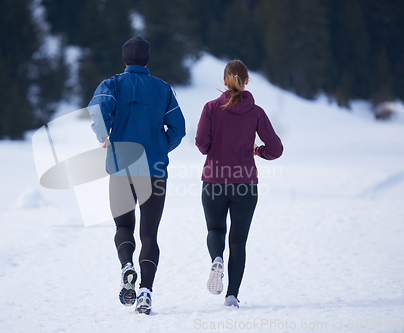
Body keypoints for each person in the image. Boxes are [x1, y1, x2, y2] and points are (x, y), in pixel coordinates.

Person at [87, 36, 185, 315]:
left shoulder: (113, 84)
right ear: (147, 60)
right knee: (150, 235)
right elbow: (178, 129)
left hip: (120, 168)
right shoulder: (163, 88)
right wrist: (159, 147)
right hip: (154, 171)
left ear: (125, 59)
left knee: (123, 228)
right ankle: (145, 293)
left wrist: (104, 135)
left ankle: (126, 266)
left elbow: (96, 110)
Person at [195, 59, 283, 307]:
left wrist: (215, 148)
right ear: (246, 82)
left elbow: (202, 145)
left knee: (215, 230)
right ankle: (231, 296)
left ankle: (216, 258)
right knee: (238, 241)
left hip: (213, 180)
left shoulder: (211, 108)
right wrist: (257, 151)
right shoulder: (256, 112)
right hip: (245, 184)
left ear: (224, 81)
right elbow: (276, 149)